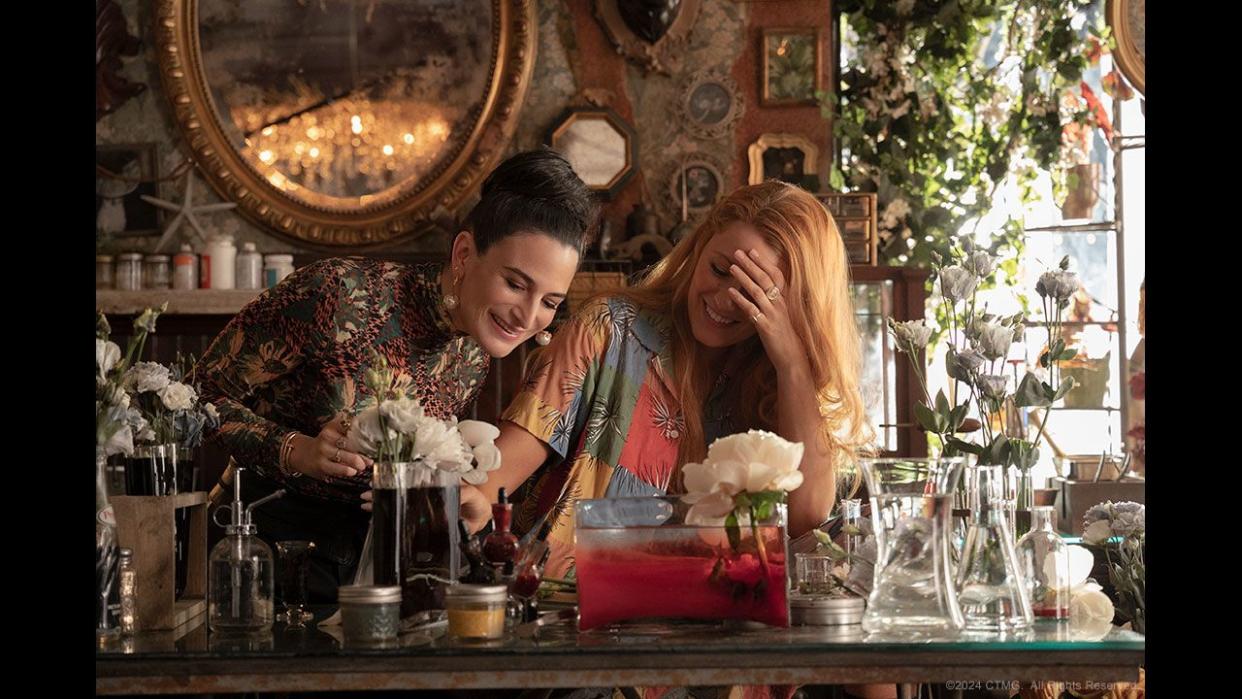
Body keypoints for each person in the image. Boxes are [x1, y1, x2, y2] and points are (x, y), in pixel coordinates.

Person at [197, 148, 599, 601]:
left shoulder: (473, 350)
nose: (527, 317)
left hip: (380, 567)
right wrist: (296, 450)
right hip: (261, 555)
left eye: (549, 302)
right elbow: (198, 396)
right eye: (516, 284)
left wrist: (458, 502)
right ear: (465, 253)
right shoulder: (337, 294)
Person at [470, 180, 873, 579]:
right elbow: (495, 482)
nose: (723, 299)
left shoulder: (776, 386)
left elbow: (806, 518)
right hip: (574, 618)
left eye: (754, 293)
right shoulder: (607, 331)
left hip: (713, 627)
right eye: (719, 269)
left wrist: (793, 365)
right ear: (699, 249)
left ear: (794, 306)